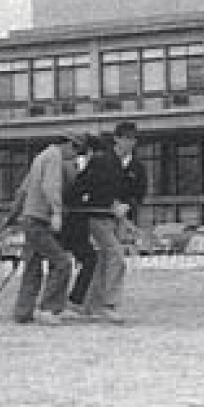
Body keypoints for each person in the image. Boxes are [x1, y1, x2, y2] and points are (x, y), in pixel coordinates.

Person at [11, 131, 86, 326]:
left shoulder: (41, 157)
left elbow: (24, 188)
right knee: (62, 263)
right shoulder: (54, 157)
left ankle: (23, 312)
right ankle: (49, 309)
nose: (75, 155)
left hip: (29, 217)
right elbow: (51, 187)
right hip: (39, 220)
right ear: (67, 144)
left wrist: (14, 212)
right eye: (76, 149)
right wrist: (57, 213)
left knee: (33, 267)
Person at [70, 122, 135, 324]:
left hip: (110, 218)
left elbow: (128, 191)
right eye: (127, 138)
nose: (131, 142)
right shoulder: (103, 161)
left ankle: (92, 305)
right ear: (117, 139)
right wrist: (108, 203)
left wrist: (125, 205)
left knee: (103, 260)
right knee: (117, 257)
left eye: (133, 138)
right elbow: (83, 186)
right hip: (96, 217)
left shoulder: (123, 164)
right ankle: (108, 304)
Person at [59, 132, 103, 317]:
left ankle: (70, 301)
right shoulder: (74, 167)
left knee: (79, 260)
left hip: (74, 221)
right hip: (71, 222)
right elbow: (71, 192)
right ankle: (71, 301)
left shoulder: (78, 166)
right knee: (85, 260)